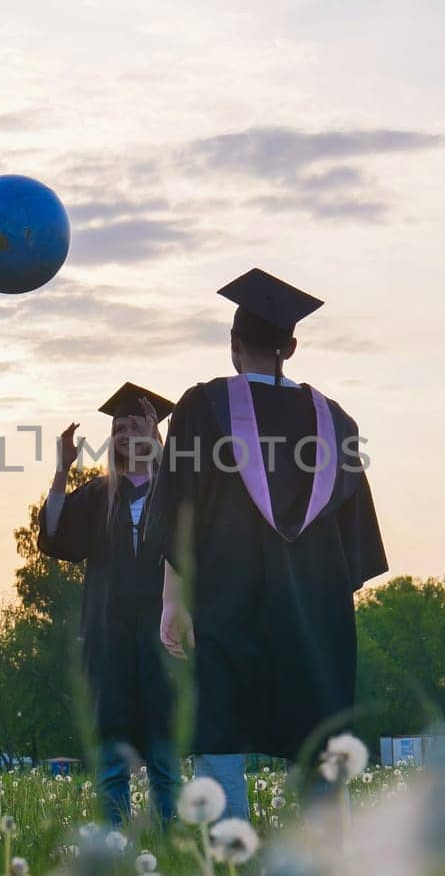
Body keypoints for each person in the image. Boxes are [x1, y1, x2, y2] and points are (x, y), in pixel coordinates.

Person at [145, 269, 388, 819]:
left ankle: (228, 859)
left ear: (234, 347)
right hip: (314, 611)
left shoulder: (203, 407)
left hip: (227, 603)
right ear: (292, 347)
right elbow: (355, 549)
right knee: (315, 728)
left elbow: (178, 511)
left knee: (221, 726)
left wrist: (173, 600)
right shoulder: (337, 422)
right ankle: (318, 863)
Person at [38, 383, 181, 828]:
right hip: (109, 636)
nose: (124, 432)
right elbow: (57, 538)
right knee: (112, 747)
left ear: (154, 431)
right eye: (118, 426)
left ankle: (170, 836)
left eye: (135, 423)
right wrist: (62, 470)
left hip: (163, 636)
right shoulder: (101, 494)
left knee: (164, 748)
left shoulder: (176, 491)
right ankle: (115, 843)